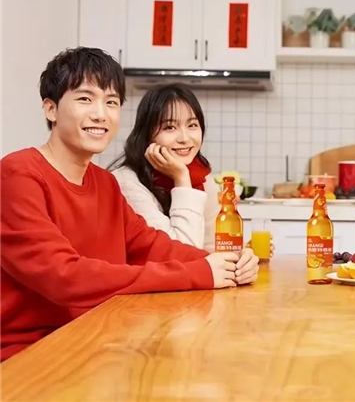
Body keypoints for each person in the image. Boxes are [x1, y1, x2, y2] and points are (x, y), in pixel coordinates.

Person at [0, 47, 259, 361]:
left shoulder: (104, 183)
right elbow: (64, 276)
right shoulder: (18, 175)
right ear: (50, 109)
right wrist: (200, 273)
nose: (101, 114)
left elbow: (151, 246)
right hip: (29, 354)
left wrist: (227, 263)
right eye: (85, 99)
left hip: (98, 339)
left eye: (111, 102)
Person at [110, 83, 274, 256]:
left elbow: (211, 249)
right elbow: (181, 254)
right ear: (147, 135)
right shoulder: (127, 183)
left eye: (192, 125)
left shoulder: (202, 180)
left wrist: (243, 254)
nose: (184, 138)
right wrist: (181, 178)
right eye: (169, 127)